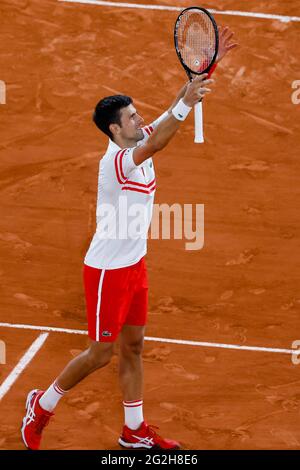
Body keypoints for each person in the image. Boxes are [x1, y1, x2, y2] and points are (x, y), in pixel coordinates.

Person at [21, 27, 237, 451]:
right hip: (106, 272)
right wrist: (185, 107)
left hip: (134, 265)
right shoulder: (118, 161)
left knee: (134, 346)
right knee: (100, 354)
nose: (140, 120)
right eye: (132, 118)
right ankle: (41, 406)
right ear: (115, 131)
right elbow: (160, 138)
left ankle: (133, 430)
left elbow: (167, 117)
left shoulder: (135, 137)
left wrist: (197, 76)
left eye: (138, 115)